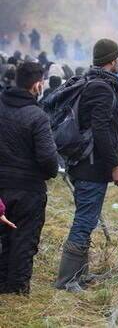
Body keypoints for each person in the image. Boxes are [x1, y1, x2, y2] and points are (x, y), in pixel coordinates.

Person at [55, 38, 118, 292]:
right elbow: (100, 130)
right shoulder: (101, 87)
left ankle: (79, 274)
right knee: (85, 220)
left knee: (88, 218)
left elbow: (98, 118)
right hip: (91, 165)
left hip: (85, 163)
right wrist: (115, 165)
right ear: (112, 60)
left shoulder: (94, 82)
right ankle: (67, 280)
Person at [0, 62, 59, 294]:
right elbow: (48, 159)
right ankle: (16, 289)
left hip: (2, 187)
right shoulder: (37, 116)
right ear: (37, 84)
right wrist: (46, 174)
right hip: (28, 189)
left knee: (5, 237)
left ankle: (3, 282)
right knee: (24, 239)